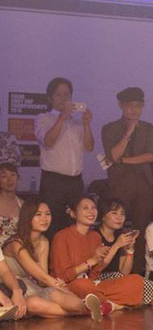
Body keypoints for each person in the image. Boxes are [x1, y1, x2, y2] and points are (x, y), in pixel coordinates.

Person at [51, 195, 153, 309]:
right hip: (70, 286)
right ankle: (110, 304)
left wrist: (128, 250)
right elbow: (62, 276)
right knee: (83, 284)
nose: (91, 211)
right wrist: (92, 260)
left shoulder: (94, 237)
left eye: (93, 208)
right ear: (73, 213)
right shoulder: (62, 237)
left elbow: (96, 274)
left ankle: (107, 305)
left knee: (134, 280)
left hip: (94, 285)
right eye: (85, 208)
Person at [2, 200, 109, 320]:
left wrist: (58, 284)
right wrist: (55, 283)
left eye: (47, 214)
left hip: (34, 285)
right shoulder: (15, 244)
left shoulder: (43, 241)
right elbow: (41, 276)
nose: (44, 218)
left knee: (59, 294)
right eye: (38, 214)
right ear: (27, 218)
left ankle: (87, 306)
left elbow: (42, 280)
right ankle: (89, 311)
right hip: (14, 286)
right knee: (33, 303)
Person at [100, 86, 153, 274]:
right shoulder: (109, 128)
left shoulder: (149, 128)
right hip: (119, 186)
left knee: (140, 232)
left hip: (143, 186)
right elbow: (113, 155)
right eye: (130, 106)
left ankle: (138, 274)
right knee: (117, 229)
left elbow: (150, 156)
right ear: (121, 106)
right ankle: (113, 272)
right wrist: (129, 132)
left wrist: (124, 161)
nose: (134, 110)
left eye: (138, 106)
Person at [34, 77, 93, 235]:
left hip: (75, 182)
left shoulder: (77, 122)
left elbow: (89, 147)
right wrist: (62, 117)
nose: (64, 99)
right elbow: (48, 141)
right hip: (54, 182)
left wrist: (86, 124)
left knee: (75, 226)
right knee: (51, 226)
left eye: (67, 95)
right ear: (50, 98)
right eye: (59, 95)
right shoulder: (43, 118)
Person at [0, 161, 22, 245]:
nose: (10, 180)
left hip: (16, 250)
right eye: (4, 176)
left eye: (13, 175)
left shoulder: (22, 205)